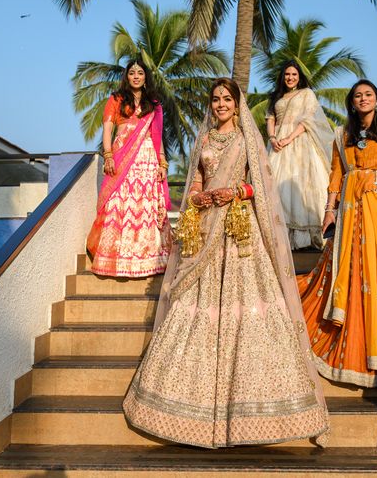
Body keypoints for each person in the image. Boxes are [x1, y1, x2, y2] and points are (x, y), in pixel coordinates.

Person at [123, 78, 329, 448]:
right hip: (207, 230)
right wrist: (200, 197)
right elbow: (197, 183)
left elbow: (260, 186)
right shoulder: (203, 140)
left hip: (239, 229)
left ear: (237, 104)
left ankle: (254, 410)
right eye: (216, 99)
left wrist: (235, 191)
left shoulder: (246, 139)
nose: (220, 104)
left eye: (226, 99)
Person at [298, 79, 377, 389]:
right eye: (358, 96)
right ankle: (350, 345)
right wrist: (329, 209)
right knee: (353, 272)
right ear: (352, 103)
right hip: (350, 210)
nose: (363, 99)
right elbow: (336, 175)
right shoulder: (343, 135)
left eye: (368, 94)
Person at [85, 58, 170, 278]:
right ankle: (115, 258)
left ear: (145, 77)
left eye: (140, 73)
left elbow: (157, 135)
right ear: (127, 76)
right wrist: (108, 155)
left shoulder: (153, 102)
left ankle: (149, 260)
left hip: (147, 159)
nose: (136, 76)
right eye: (132, 73)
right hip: (122, 157)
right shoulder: (116, 99)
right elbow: (107, 129)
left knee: (145, 206)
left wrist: (162, 161)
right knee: (119, 203)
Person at [265, 61, 334, 250]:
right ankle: (279, 237)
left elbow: (309, 119)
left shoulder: (307, 94)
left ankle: (306, 238)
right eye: (287, 74)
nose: (290, 78)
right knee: (275, 185)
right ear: (282, 76)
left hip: (299, 141)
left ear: (299, 76)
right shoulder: (276, 96)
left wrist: (289, 138)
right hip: (277, 144)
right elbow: (270, 118)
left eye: (294, 74)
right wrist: (272, 138)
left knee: (300, 185)